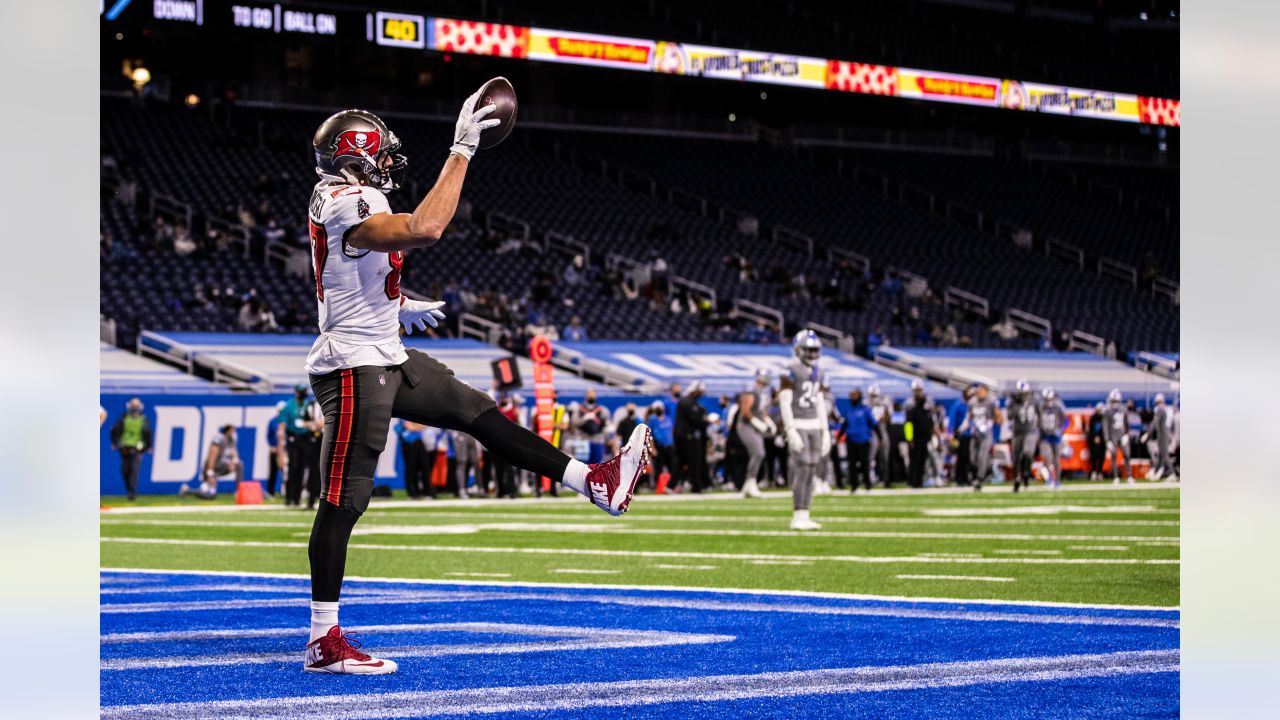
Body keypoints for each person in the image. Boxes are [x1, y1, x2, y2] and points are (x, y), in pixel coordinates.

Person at [299, 94, 653, 674]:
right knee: (344, 497)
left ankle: (594, 482)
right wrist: (462, 149)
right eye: (379, 150)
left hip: (382, 348)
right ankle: (323, 638)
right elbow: (425, 227)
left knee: (476, 410)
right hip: (353, 363)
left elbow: (352, 267)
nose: (389, 159)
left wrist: (396, 303)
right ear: (356, 156)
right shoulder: (348, 199)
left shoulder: (343, 196)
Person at [779, 330, 831, 529]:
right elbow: (785, 401)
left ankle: (805, 513)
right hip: (799, 422)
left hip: (815, 424)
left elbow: (819, 401)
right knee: (802, 468)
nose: (812, 354)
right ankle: (797, 514)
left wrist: (825, 430)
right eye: (808, 349)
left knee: (812, 468)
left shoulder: (819, 372)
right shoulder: (790, 370)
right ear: (798, 349)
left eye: (814, 349)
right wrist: (790, 428)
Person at [280, 383, 324, 508]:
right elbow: (285, 423)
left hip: (307, 439)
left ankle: (298, 497)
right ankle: (289, 496)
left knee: (304, 468)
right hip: (293, 438)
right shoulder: (289, 405)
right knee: (293, 467)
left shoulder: (308, 404)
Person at [181, 424, 241, 499]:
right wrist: (210, 471)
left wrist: (233, 462)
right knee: (210, 494)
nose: (234, 432)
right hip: (211, 466)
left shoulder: (232, 439)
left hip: (221, 466)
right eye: (232, 430)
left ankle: (238, 491)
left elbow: (234, 452)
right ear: (227, 430)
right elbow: (212, 455)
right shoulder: (219, 438)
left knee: (239, 465)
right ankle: (187, 490)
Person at [109, 398, 152, 500]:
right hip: (125, 448)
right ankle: (129, 489)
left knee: (134, 471)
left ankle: (132, 493)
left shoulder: (143, 419)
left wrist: (148, 446)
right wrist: (115, 443)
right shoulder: (124, 418)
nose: (135, 408)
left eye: (137, 406)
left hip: (137, 449)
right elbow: (114, 430)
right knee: (125, 471)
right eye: (133, 405)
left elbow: (147, 433)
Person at [674, 382, 711, 493]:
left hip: (683, 434)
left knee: (681, 461)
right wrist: (705, 420)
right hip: (687, 435)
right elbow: (695, 419)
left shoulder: (688, 401)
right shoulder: (688, 402)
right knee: (693, 460)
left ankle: (673, 485)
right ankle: (696, 486)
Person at [1006, 379, 1040, 493]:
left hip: (1030, 431)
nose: (1023, 395)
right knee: (1016, 458)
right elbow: (1010, 416)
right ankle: (1017, 479)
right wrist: (1015, 404)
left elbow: (1039, 414)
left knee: (1028, 452)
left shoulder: (1034, 400)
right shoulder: (1013, 402)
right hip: (1017, 432)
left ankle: (1026, 473)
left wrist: (1039, 430)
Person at [966, 384, 1002, 491]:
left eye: (981, 390)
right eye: (978, 390)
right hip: (975, 434)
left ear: (986, 391)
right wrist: (961, 429)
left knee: (982, 456)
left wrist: (990, 423)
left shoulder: (991, 402)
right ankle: (983, 472)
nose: (979, 392)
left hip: (986, 434)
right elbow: (969, 418)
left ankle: (979, 479)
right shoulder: (972, 402)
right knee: (973, 458)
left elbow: (999, 418)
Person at [843, 388, 878, 493]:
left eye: (855, 395)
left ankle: (868, 485)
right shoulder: (849, 410)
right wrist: (839, 435)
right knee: (852, 464)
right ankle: (854, 486)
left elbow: (874, 424)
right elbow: (845, 424)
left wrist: (880, 437)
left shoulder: (865, 409)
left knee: (864, 463)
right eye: (851, 395)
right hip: (851, 439)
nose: (852, 397)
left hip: (863, 440)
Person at [903, 380, 934, 489]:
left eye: (919, 390)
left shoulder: (927, 404)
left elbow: (930, 421)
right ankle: (912, 481)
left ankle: (919, 481)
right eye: (916, 390)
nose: (918, 393)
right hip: (914, 437)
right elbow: (907, 424)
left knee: (922, 460)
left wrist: (930, 434)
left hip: (924, 437)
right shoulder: (909, 405)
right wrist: (909, 438)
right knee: (914, 461)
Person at [1037, 387, 1069, 489]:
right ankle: (1049, 479)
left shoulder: (1058, 406)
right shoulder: (1040, 406)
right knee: (1047, 458)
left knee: (1056, 460)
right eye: (1046, 399)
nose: (1048, 402)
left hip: (1056, 436)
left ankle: (1057, 481)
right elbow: (1036, 421)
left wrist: (1060, 430)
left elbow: (1066, 421)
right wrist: (1039, 430)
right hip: (1045, 436)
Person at [644, 401, 676, 492]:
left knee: (672, 466)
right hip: (659, 446)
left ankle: (671, 486)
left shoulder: (668, 418)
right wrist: (652, 448)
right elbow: (650, 435)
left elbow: (671, 431)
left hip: (669, 445)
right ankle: (658, 487)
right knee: (658, 467)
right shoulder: (652, 420)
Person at [396, 420, 432, 499]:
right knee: (411, 468)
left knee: (425, 467)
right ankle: (413, 492)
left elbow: (424, 426)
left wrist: (416, 426)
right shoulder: (402, 416)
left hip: (419, 441)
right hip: (408, 442)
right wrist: (417, 426)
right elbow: (410, 427)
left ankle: (427, 491)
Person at [1103, 389, 1133, 483]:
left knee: (1127, 455)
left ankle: (1129, 476)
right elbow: (1106, 426)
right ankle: (1116, 477)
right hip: (1113, 437)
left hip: (1122, 435)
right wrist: (1107, 440)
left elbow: (1127, 423)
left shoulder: (1123, 409)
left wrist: (1127, 434)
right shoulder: (1107, 411)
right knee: (1114, 456)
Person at [574, 389, 610, 465]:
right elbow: (574, 423)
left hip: (597, 440)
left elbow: (606, 424)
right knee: (581, 466)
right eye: (589, 394)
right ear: (586, 396)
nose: (591, 396)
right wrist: (584, 419)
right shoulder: (579, 408)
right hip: (582, 440)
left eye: (593, 394)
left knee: (597, 466)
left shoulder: (602, 409)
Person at [1149, 393, 1179, 481]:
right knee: (1161, 455)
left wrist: (1148, 434)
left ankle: (1172, 473)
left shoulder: (1160, 410)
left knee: (1164, 455)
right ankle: (1157, 472)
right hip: (1169, 434)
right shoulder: (1169, 409)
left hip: (1163, 434)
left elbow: (1155, 423)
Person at [866, 384, 892, 487]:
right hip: (871, 433)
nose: (873, 398)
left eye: (874, 395)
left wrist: (885, 415)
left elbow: (888, 418)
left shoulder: (884, 404)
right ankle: (870, 479)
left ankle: (885, 480)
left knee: (884, 458)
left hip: (883, 432)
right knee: (870, 458)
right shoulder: (866, 405)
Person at [950, 386, 974, 486]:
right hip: (961, 435)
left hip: (971, 435)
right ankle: (959, 478)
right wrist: (951, 434)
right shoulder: (958, 405)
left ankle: (967, 478)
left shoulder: (972, 405)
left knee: (969, 458)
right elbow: (952, 420)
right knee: (961, 457)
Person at [265, 401, 286, 500]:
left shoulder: (287, 421)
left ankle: (285, 491)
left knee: (286, 471)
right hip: (275, 449)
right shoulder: (273, 421)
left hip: (286, 449)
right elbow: (269, 436)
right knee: (273, 471)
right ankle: (270, 492)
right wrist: (271, 446)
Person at [1087, 402, 1107, 480]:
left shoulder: (1104, 418)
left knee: (1102, 457)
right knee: (1094, 457)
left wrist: (1102, 438)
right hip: (1094, 441)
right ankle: (1094, 472)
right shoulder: (1093, 418)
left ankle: (1100, 472)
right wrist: (1095, 437)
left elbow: (1105, 430)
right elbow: (1091, 430)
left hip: (1102, 440)